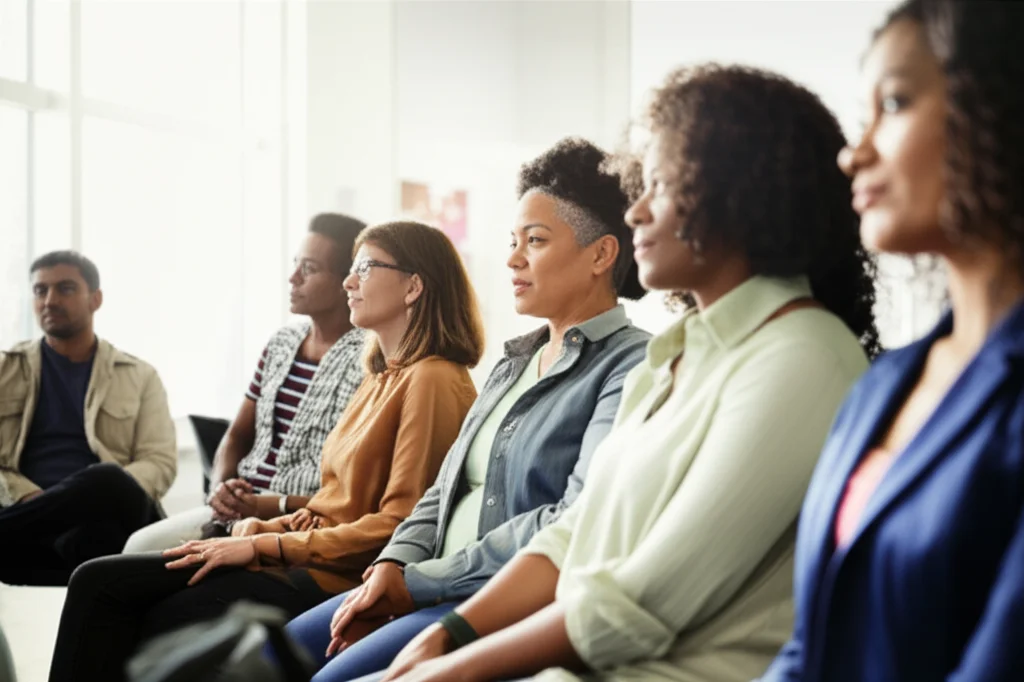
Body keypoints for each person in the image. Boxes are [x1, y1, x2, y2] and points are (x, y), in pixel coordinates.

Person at [367, 64, 881, 682]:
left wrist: (455, 664)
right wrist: (449, 635)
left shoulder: (802, 357)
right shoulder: (677, 354)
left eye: (658, 185)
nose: (634, 212)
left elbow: (641, 604)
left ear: (741, 194)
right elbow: (574, 537)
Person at [47, 221, 485, 682]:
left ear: (414, 285)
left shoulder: (433, 379)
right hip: (302, 556)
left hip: (332, 577)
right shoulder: (381, 372)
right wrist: (261, 529)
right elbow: (330, 504)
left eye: (365, 268)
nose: (348, 282)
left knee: (133, 605)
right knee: (97, 578)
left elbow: (395, 529)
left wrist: (265, 543)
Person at [285, 138, 652, 681]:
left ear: (601, 254)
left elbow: (570, 519)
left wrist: (423, 581)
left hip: (493, 600)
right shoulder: (512, 363)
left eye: (536, 240)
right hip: (423, 582)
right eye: (512, 240)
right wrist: (393, 561)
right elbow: (442, 488)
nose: (513, 258)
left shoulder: (630, 366)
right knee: (274, 655)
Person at [760, 2, 1024, 681]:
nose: (856, 151)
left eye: (896, 102)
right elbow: (809, 648)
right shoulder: (882, 383)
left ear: (999, 109)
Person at [124, 213, 368, 552]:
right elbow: (237, 435)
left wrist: (261, 507)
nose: (292, 277)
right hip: (238, 506)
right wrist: (221, 489)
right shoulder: (282, 343)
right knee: (139, 546)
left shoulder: (369, 361)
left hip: (297, 518)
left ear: (348, 282)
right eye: (296, 264)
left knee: (148, 565)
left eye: (309, 269)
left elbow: (349, 489)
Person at [0, 251, 175, 586]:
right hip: (34, 528)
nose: (49, 300)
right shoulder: (5, 371)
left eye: (65, 289)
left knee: (104, 480)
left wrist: (96, 495)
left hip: (117, 512)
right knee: (94, 547)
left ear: (95, 299)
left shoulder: (140, 375)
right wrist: (36, 499)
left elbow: (159, 461)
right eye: (40, 291)